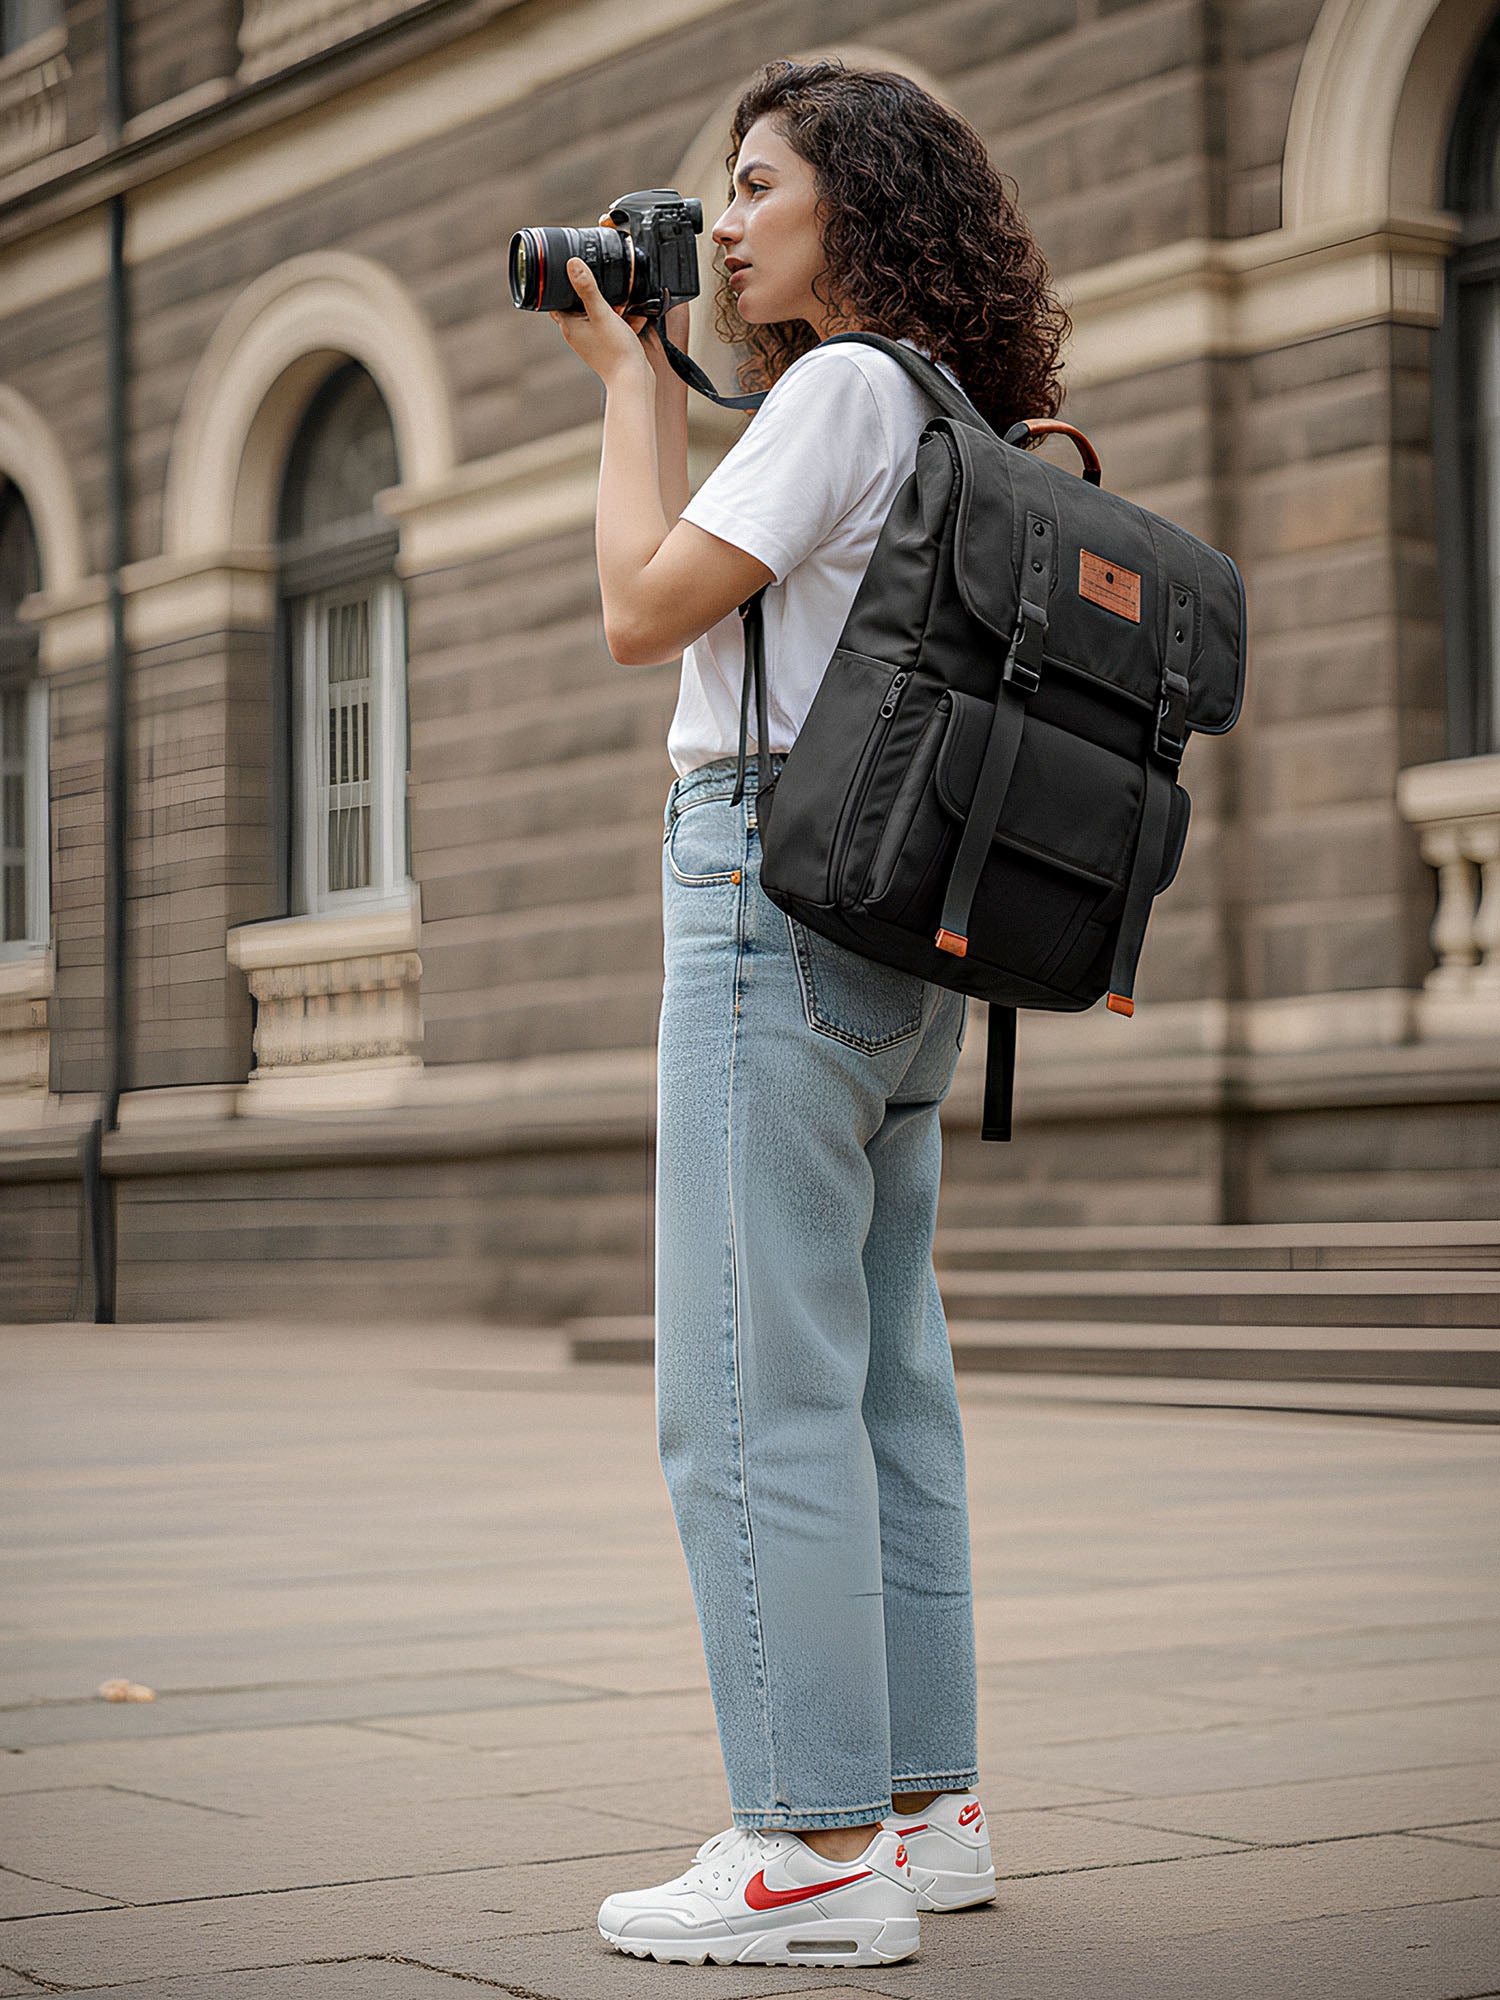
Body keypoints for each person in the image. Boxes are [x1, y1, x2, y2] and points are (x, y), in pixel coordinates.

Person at [548, 57, 1070, 1969]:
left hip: (771, 898)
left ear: (859, 204)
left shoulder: (835, 390)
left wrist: (630, 390)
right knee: (882, 1385)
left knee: (749, 1385)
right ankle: (927, 1811)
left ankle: (810, 1847)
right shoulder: (952, 409)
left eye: (761, 185)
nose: (731, 221)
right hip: (902, 936)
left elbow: (639, 607)